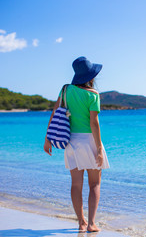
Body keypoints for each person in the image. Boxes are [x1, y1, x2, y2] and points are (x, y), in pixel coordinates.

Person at [43, 56, 110, 232]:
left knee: (76, 184)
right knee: (94, 184)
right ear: (91, 76)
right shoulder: (93, 95)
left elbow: (55, 112)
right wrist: (99, 149)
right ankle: (91, 224)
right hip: (89, 140)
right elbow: (94, 123)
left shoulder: (65, 90)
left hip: (71, 141)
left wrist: (47, 138)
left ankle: (80, 222)